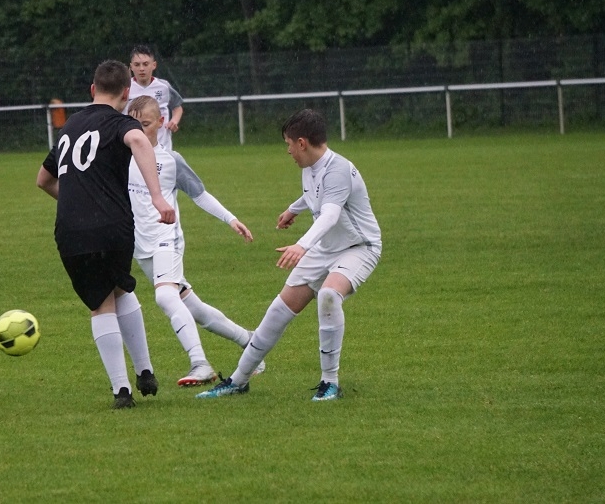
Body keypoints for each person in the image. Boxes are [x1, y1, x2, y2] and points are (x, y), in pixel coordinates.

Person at [196, 109, 381, 402]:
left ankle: (330, 383)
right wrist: (294, 209)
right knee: (278, 311)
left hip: (359, 247)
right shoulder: (312, 165)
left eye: (289, 144)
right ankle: (238, 381)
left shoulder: (338, 170)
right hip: (325, 248)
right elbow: (315, 194)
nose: (288, 151)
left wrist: (302, 245)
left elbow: (330, 214)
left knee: (329, 296)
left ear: (302, 143)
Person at [36, 60, 176, 410]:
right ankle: (144, 371)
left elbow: (43, 180)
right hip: (113, 225)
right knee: (119, 288)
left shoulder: (69, 126)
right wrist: (158, 197)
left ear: (92, 89)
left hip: (71, 231)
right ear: (127, 93)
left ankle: (122, 391)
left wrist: (75, 201)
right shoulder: (121, 122)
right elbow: (138, 140)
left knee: (103, 302)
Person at [125, 95, 264, 387]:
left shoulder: (171, 161)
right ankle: (250, 341)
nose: (138, 131)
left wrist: (231, 219)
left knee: (165, 297)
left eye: (145, 124)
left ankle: (200, 363)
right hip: (141, 246)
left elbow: (200, 194)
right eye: (133, 125)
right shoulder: (121, 157)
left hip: (167, 238)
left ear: (161, 123)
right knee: (193, 308)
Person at [127, 45, 184, 151]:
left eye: (145, 64)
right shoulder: (125, 88)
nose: (141, 69)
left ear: (154, 65)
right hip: (133, 147)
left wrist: (174, 121)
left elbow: (177, 106)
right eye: (137, 65)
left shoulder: (164, 86)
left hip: (162, 146)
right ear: (131, 67)